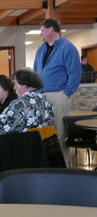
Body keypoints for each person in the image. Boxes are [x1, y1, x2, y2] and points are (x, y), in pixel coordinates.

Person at [33, 18, 82, 167]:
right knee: (44, 135)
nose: (40, 33)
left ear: (51, 29)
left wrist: (66, 93)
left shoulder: (67, 47)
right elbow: (36, 71)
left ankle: (63, 169)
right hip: (42, 96)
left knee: (60, 134)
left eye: (42, 30)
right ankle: (48, 168)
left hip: (59, 95)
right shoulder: (41, 49)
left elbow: (75, 72)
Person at [0, 68, 54, 135]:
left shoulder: (19, 104)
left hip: (24, 150)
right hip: (46, 147)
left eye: (16, 84)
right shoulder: (44, 99)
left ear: (24, 85)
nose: (14, 88)